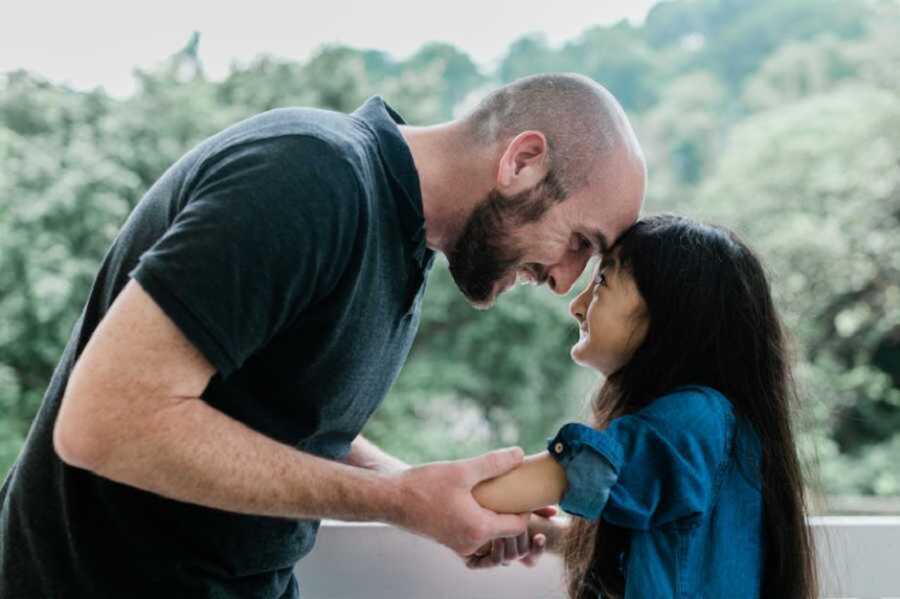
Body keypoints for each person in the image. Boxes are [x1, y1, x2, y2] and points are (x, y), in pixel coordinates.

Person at [0, 73, 645, 597]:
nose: (564, 283)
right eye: (579, 243)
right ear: (523, 161)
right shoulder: (311, 180)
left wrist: (440, 495)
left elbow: (281, 414)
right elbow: (104, 420)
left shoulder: (403, 244)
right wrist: (398, 500)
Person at [473, 215, 818, 598]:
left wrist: (419, 497)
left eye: (602, 281)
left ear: (672, 308)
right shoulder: (720, 427)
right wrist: (538, 531)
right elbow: (666, 548)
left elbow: (491, 493)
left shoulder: (692, 422)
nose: (577, 305)